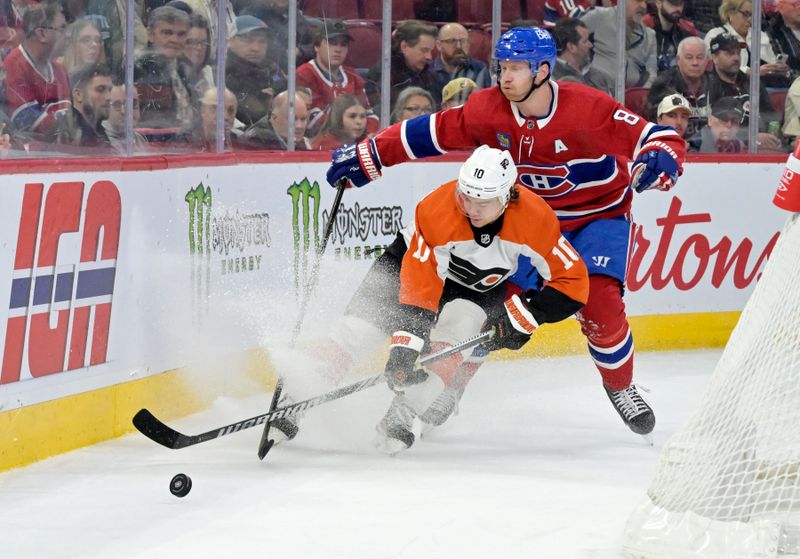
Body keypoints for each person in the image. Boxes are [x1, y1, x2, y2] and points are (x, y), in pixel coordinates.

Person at [326, 26, 688, 437]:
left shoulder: (587, 108)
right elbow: (432, 133)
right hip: (526, 223)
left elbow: (653, 135)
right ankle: (442, 391)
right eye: (501, 67)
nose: (505, 76)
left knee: (600, 302)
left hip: (596, 217)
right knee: (489, 310)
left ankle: (621, 387)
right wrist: (371, 154)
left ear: (544, 70)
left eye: (517, 67)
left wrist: (661, 158)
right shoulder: (488, 109)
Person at [271, 145, 590, 454]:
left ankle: (406, 410)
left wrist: (525, 318)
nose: (471, 208)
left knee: (451, 345)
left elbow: (574, 281)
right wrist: (404, 349)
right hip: (405, 266)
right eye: (466, 196)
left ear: (507, 197)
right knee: (358, 331)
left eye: (483, 201)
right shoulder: (437, 210)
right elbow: (420, 283)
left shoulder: (535, 219)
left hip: (477, 288)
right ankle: (296, 398)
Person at [295, 19, 378, 139]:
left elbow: (370, 116)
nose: (338, 49)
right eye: (332, 43)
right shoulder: (304, 74)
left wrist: (365, 135)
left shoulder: (353, 75)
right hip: (320, 144)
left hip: (355, 141)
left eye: (343, 44)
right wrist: (351, 131)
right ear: (317, 46)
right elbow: (312, 119)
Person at [3, 3, 71, 144]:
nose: (69, 34)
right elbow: (29, 125)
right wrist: (73, 124)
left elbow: (75, 121)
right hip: (30, 159)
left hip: (65, 156)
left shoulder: (60, 70)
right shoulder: (13, 65)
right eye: (62, 28)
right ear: (42, 33)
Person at [134, 5, 192, 131]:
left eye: (181, 34)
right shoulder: (136, 69)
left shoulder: (183, 67)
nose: (174, 40)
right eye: (167, 32)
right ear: (150, 34)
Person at [705, 0, 788, 86]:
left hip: (768, 86)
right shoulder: (716, 35)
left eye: (754, 15)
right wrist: (749, 72)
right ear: (730, 12)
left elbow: (772, 63)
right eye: (746, 14)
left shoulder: (760, 35)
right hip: (732, 87)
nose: (750, 20)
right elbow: (712, 69)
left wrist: (778, 69)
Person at [225, 14, 286, 128]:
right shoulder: (224, 73)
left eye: (262, 42)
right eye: (249, 40)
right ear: (231, 40)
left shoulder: (272, 70)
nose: (255, 48)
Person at [365, 20, 438, 113]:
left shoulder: (427, 75)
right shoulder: (384, 74)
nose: (429, 57)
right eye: (424, 50)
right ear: (404, 46)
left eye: (430, 51)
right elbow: (382, 112)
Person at [580, 0, 658, 88]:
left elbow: (652, 74)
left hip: (629, 97)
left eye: (646, 2)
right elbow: (570, 40)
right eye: (638, 0)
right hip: (594, 89)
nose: (643, 6)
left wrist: (639, 96)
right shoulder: (599, 16)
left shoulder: (650, 36)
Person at [53, 63, 112, 150]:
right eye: (100, 90)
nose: (108, 97)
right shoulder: (65, 135)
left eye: (110, 90)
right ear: (78, 95)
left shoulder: (99, 133)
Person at [550, 17, 613, 96]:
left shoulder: (598, 76)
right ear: (571, 47)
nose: (590, 45)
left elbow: (612, 106)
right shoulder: (550, 78)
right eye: (585, 41)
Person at [431, 23, 491, 96]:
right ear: (439, 45)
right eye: (452, 41)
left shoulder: (479, 69)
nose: (459, 46)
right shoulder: (428, 73)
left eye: (463, 41)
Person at [241, 89, 310, 150]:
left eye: (303, 119)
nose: (299, 126)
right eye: (293, 119)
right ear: (274, 117)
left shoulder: (295, 138)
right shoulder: (256, 141)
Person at [643, 0, 699, 74]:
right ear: (658, 3)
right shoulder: (643, 27)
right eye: (673, 3)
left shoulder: (688, 31)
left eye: (681, 4)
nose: (678, 8)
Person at [102, 84, 149, 154]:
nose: (124, 111)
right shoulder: (100, 143)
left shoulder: (139, 139)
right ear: (106, 108)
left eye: (133, 104)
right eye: (117, 105)